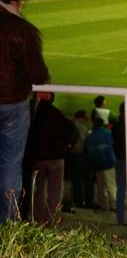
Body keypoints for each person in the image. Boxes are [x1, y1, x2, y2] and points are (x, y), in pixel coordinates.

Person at [0, 0, 50, 222]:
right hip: (12, 103)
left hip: (11, 101)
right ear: (17, 0)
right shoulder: (21, 28)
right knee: (11, 163)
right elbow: (38, 73)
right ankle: (8, 222)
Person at [28, 93, 77, 225]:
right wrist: (66, 145)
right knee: (54, 192)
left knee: (39, 191)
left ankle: (38, 218)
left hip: (39, 159)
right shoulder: (57, 114)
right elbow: (72, 131)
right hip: (56, 158)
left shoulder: (33, 114)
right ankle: (51, 219)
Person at [84, 116, 116, 211]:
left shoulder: (91, 135)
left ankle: (103, 205)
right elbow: (112, 144)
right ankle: (113, 204)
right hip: (109, 162)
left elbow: (88, 150)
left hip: (97, 164)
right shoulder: (107, 133)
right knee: (111, 185)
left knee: (100, 187)